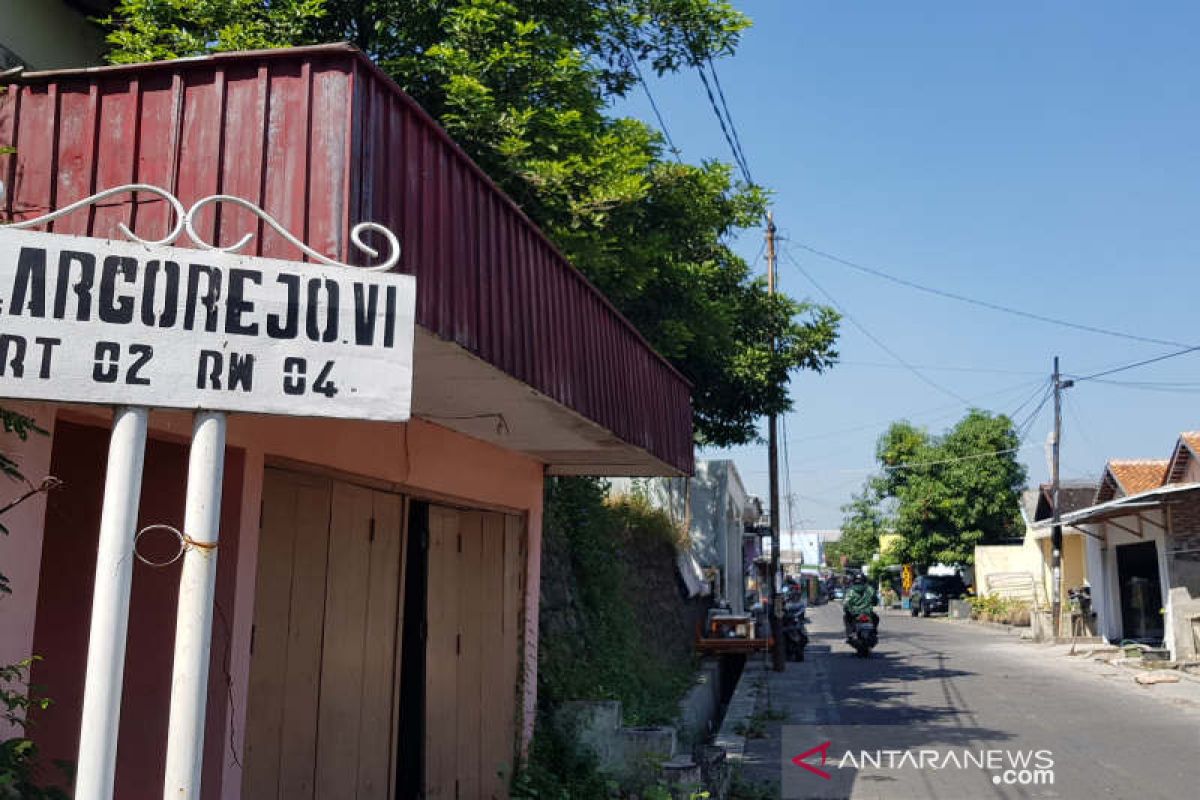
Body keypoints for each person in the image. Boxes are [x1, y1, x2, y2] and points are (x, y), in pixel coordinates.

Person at [843, 572, 879, 638]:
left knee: (846, 617)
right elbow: (875, 601)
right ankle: (874, 631)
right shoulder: (870, 589)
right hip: (867, 612)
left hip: (854, 613)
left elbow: (846, 603)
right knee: (876, 618)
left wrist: (847, 609)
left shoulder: (850, 591)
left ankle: (850, 633)